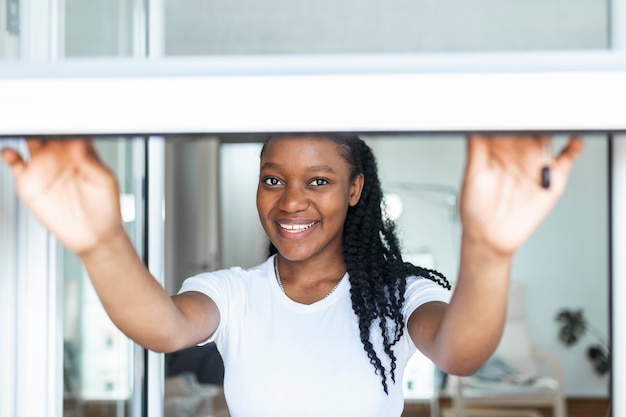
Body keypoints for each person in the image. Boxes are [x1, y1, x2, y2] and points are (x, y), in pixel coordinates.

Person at [1, 133, 583, 417]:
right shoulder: (234, 292)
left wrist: (489, 248)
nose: (290, 203)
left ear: (356, 189)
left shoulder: (395, 294)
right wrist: (99, 242)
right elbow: (163, 328)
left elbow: (461, 351)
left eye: (319, 181)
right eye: (273, 179)